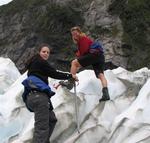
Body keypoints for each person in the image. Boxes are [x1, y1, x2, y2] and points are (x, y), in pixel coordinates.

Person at [22, 43, 74, 143]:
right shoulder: (40, 61)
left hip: (33, 97)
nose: (46, 54)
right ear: (39, 52)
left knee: (51, 120)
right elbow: (54, 73)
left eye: (48, 52)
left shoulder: (35, 64)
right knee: (42, 128)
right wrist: (70, 76)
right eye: (43, 52)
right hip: (39, 97)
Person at [70, 26, 110, 102]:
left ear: (79, 32)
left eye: (76, 33)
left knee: (74, 63)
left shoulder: (83, 39)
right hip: (100, 57)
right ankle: (106, 93)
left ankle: (70, 81)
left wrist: (78, 57)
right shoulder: (84, 40)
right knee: (100, 75)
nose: (75, 35)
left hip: (94, 56)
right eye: (73, 34)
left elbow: (84, 52)